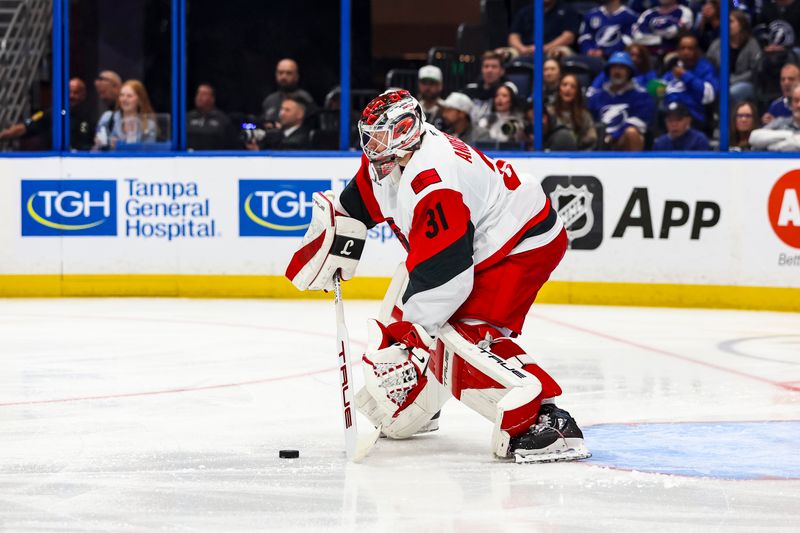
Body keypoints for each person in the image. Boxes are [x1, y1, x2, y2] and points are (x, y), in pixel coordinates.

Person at [285, 89, 590, 463]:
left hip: (521, 242)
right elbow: (358, 205)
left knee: (459, 340)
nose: (370, 144)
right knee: (410, 308)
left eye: (379, 134)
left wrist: (413, 342)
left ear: (405, 129)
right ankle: (420, 406)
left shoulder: (433, 181)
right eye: (369, 134)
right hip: (485, 241)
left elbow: (448, 277)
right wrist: (337, 232)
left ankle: (547, 420)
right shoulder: (391, 158)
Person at [0, 77, 94, 151]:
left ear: (83, 95)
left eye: (76, 93)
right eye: (69, 92)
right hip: (53, 162)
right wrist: (3, 135)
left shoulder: (89, 117)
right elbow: (24, 127)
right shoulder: (52, 114)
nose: (72, 96)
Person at [587, 51, 655, 151]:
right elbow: (589, 120)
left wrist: (615, 135)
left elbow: (639, 122)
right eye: (614, 67)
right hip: (599, 140)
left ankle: (635, 165)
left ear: (629, 72)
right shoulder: (597, 97)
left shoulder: (641, 96)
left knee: (631, 132)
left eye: (622, 68)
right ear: (608, 71)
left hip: (623, 141)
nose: (617, 71)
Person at [661, 33, 719, 128]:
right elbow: (662, 88)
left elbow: (709, 95)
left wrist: (685, 76)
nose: (686, 52)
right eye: (682, 48)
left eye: (690, 48)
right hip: (668, 114)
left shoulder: (705, 68)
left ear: (697, 51)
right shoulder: (673, 67)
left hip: (693, 117)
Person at [707, 10, 762, 105]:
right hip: (720, 83)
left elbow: (756, 70)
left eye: (731, 21)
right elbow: (708, 65)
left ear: (741, 24)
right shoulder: (717, 44)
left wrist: (732, 80)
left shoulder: (751, 43)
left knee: (731, 92)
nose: (727, 24)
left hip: (745, 83)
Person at [94, 79, 157, 150]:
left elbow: (149, 154)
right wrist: (100, 144)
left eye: (129, 96)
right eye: (122, 95)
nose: (124, 99)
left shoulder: (148, 125)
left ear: (139, 100)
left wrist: (121, 147)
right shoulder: (108, 118)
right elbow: (95, 151)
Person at [506, 0, 581, 59]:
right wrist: (522, 49)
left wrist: (544, 48)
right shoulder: (524, 12)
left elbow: (568, 37)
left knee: (559, 53)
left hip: (553, 48)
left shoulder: (568, 11)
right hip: (525, 49)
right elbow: (513, 36)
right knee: (501, 54)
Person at [261, 58, 317, 127]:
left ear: (296, 76)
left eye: (289, 73)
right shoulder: (269, 100)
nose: (284, 77)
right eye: (280, 73)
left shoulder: (305, 99)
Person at [548, 74, 597, 150]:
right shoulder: (549, 113)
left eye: (573, 87)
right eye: (564, 85)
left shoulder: (584, 115)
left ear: (577, 92)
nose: (568, 89)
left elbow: (592, 137)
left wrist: (575, 143)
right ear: (559, 89)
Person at [750, 83, 800, 150]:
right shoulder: (780, 122)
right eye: (796, 101)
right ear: (791, 104)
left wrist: (774, 146)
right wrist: (790, 135)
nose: (799, 105)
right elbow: (754, 138)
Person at [462, 51, 508, 124]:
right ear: (482, 70)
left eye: (494, 67)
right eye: (486, 66)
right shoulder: (470, 89)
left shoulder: (508, 90)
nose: (489, 70)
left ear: (502, 71)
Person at [590, 43, 657, 90]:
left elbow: (654, 94)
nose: (634, 59)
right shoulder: (609, 72)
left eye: (638, 56)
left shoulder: (649, 74)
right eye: (632, 55)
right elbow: (594, 89)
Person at [186, 83, 232, 150]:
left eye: (204, 94)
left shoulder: (222, 119)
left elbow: (230, 145)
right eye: (198, 93)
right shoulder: (188, 118)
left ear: (212, 99)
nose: (199, 97)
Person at [417, 65, 445, 130]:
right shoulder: (413, 109)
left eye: (432, 83)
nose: (427, 87)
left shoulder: (446, 111)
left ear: (440, 85)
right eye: (424, 83)